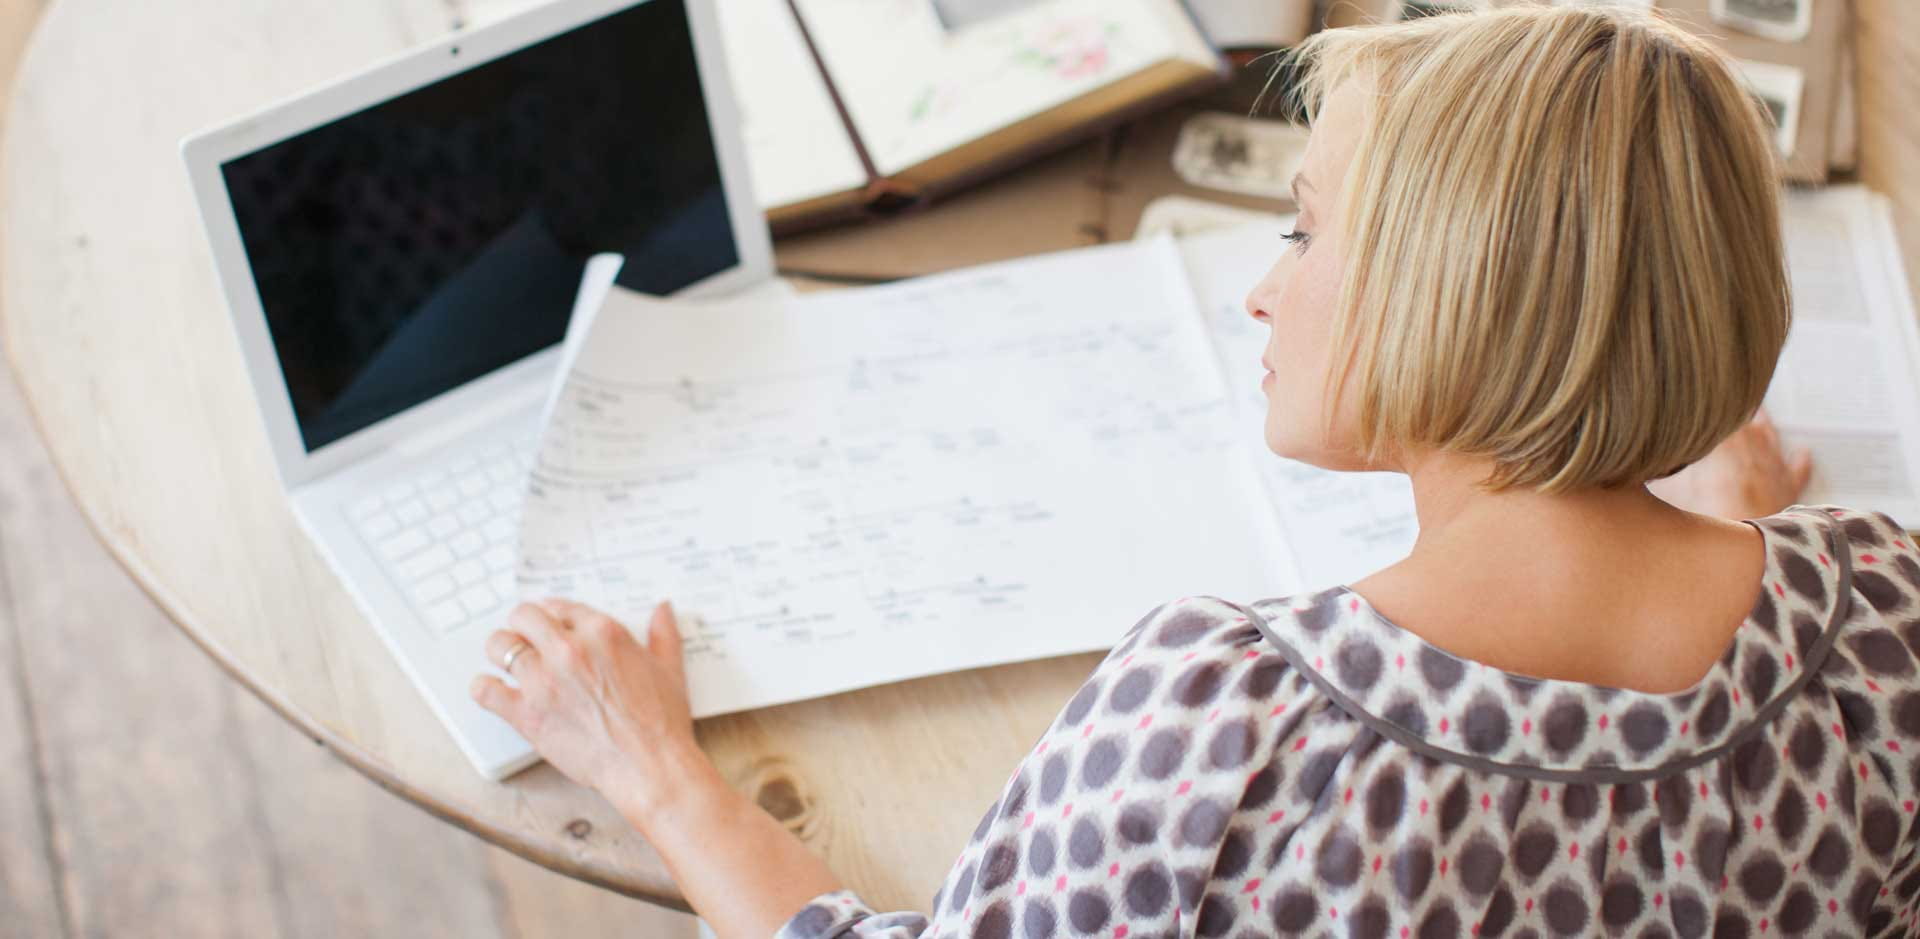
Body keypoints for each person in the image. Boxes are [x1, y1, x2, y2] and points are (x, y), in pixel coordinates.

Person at [469, 5, 1920, 937]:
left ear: (1445, 295)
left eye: (1299, 232)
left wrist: (657, 773)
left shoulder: (1228, 727)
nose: (1260, 293)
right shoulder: (1878, 615)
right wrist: (1737, 531)